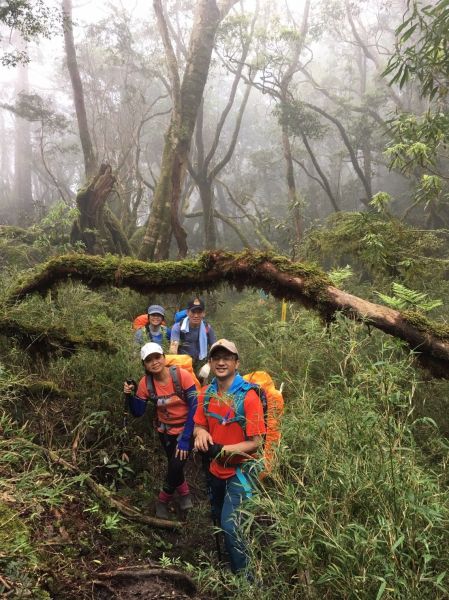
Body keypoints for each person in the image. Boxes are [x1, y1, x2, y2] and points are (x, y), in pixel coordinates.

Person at [193, 339, 266, 575]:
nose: (221, 362)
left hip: (241, 471)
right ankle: (233, 569)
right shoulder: (206, 393)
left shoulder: (249, 397)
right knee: (221, 521)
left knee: (231, 526)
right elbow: (198, 425)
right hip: (216, 469)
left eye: (227, 358)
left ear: (237, 363)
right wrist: (201, 432)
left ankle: (248, 584)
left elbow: (256, 443)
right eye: (217, 358)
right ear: (211, 362)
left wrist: (222, 449)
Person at [123, 342, 197, 519]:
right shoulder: (145, 384)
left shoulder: (181, 375)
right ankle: (185, 493)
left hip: (186, 429)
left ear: (164, 357)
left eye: (157, 357)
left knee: (175, 464)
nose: (154, 362)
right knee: (174, 465)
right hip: (165, 432)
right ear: (144, 365)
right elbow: (138, 412)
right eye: (149, 360)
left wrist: (187, 438)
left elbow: (195, 406)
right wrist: (128, 395)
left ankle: (162, 500)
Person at [169, 297, 216, 369]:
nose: (196, 315)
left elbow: (214, 348)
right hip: (182, 364)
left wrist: (208, 365)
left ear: (203, 313)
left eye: (199, 312)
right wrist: (175, 369)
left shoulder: (207, 328)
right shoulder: (178, 327)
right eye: (193, 312)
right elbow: (173, 350)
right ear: (187, 312)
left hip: (201, 364)